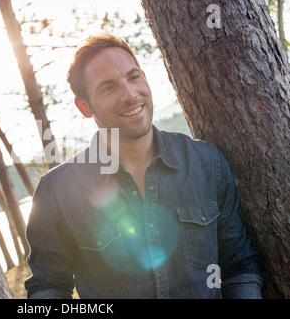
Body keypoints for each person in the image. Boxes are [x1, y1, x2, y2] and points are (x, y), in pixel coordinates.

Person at [24, 33, 265, 299]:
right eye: (109, 87)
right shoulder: (57, 192)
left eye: (133, 77)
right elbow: (48, 287)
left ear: (144, 78)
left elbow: (239, 265)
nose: (130, 94)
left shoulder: (206, 162)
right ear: (84, 107)